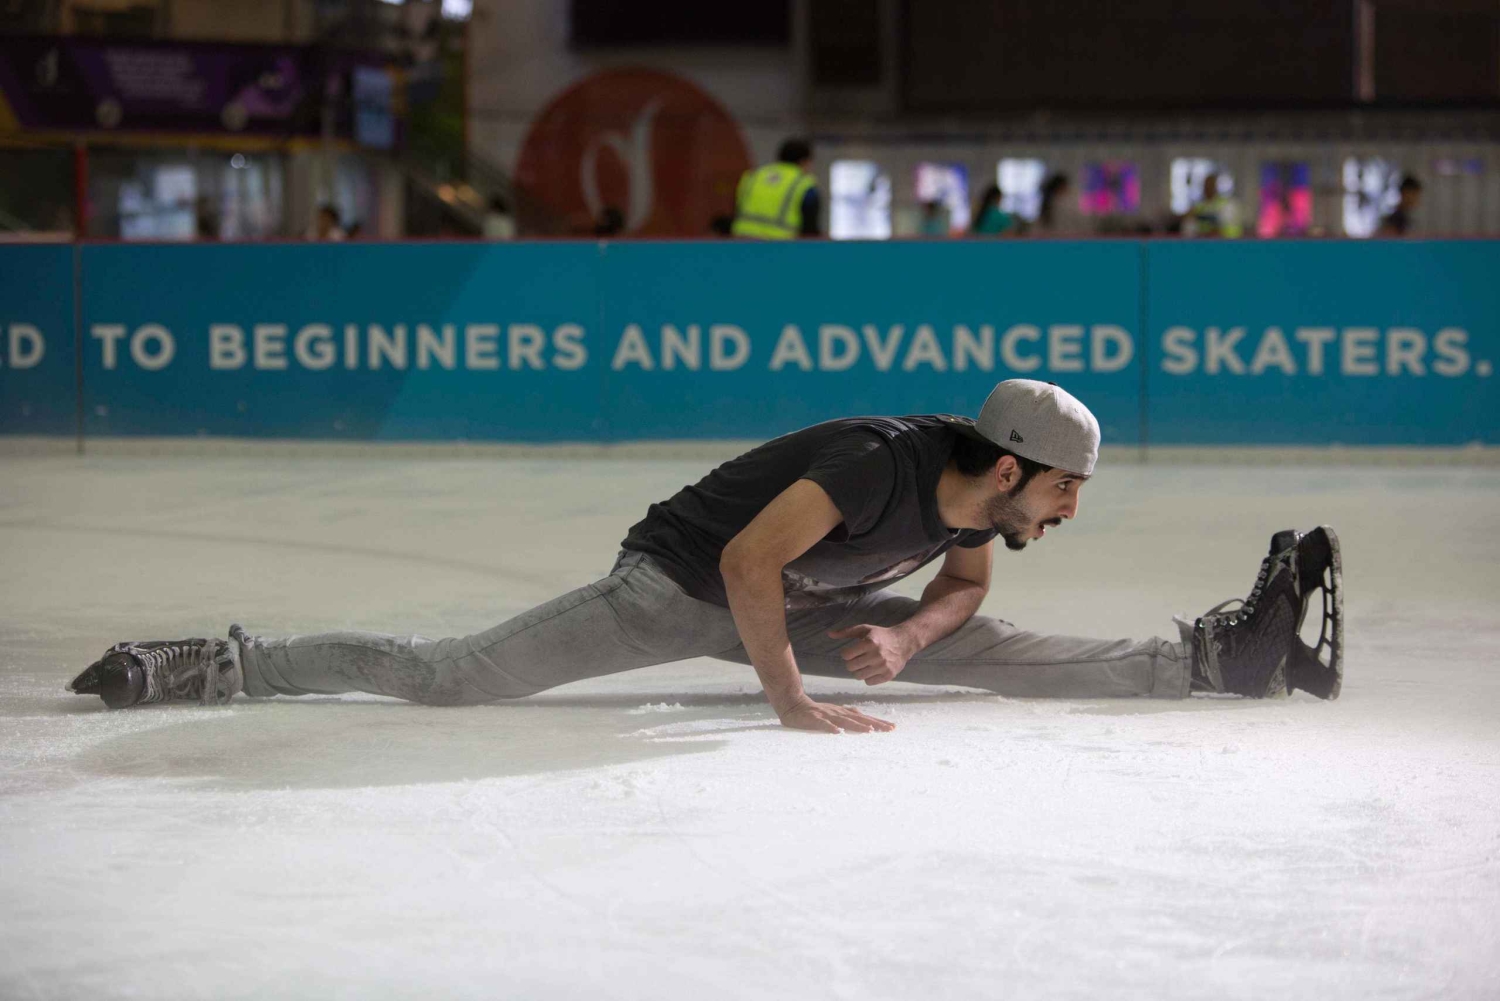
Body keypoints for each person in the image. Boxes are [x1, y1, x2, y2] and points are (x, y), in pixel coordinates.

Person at [66, 380, 1345, 732]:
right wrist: (788, 693)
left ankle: (1211, 659)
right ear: (1011, 466)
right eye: (1066, 489)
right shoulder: (874, 462)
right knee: (453, 676)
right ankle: (219, 663)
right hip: (674, 591)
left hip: (787, 598)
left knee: (985, 644)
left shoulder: (976, 512)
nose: (1071, 511)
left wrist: (900, 635)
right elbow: (744, 564)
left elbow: (959, 594)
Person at [731, 137, 820, 240]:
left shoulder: (753, 176)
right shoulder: (804, 184)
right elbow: (810, 228)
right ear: (804, 161)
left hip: (741, 241)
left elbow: (736, 207)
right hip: (780, 244)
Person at [1183, 174, 1243, 238]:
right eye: (1206, 185)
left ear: (1216, 187)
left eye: (1211, 185)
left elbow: (1229, 225)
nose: (1208, 188)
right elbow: (1190, 220)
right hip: (1205, 241)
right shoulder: (1200, 206)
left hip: (1226, 241)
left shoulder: (1227, 204)